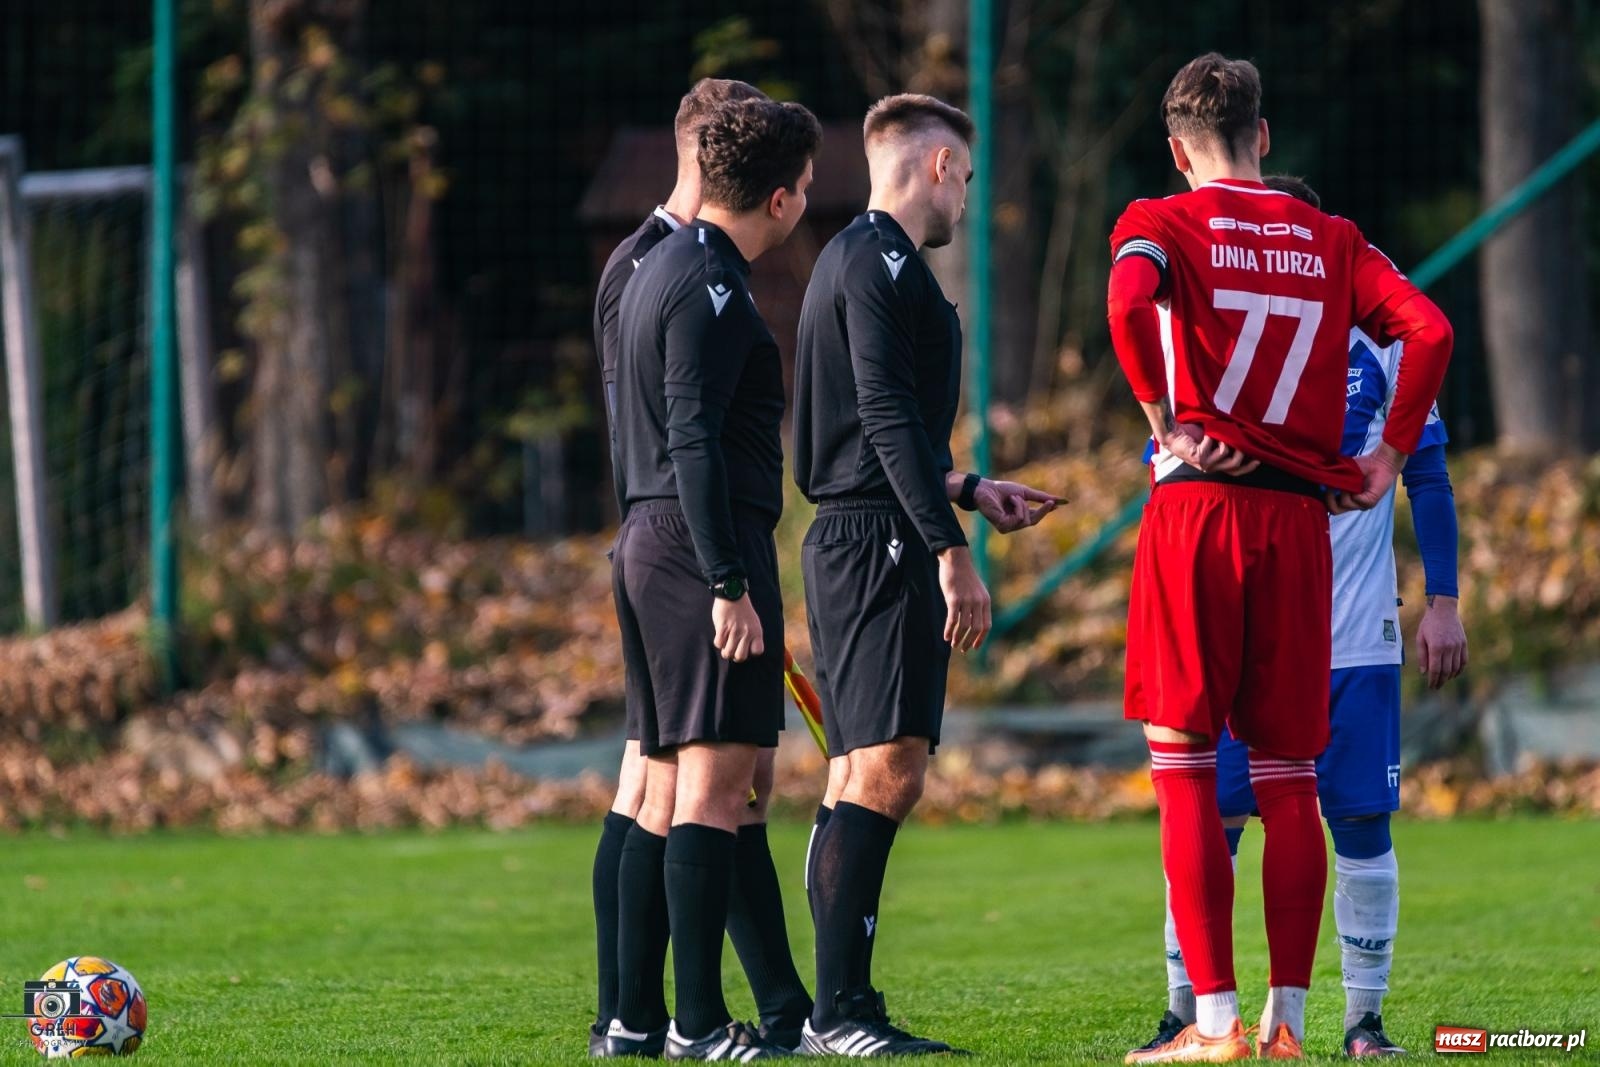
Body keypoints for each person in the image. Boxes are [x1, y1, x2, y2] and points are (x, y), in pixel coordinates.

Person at [1107, 55, 1453, 1061]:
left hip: (1202, 507)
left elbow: (1130, 304)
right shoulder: (1332, 237)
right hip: (1300, 522)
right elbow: (1426, 328)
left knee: (1182, 768)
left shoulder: (1162, 219)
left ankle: (1209, 1021)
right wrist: (1385, 450)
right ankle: (1290, 1019)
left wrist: (1160, 415)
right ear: (1263, 136)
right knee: (1291, 774)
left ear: (1179, 152)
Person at [793, 92, 1060, 1057]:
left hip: (866, 530)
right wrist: (951, 551)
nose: (969, 202)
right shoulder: (875, 261)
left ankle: (836, 1007)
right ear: (939, 166)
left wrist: (970, 485)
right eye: (970, 179)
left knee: (859, 771)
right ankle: (842, 1012)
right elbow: (880, 415)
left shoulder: (866, 259)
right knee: (886, 770)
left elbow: (882, 426)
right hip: (879, 545)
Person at [587, 76, 813, 1059]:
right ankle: (694, 1022)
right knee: (709, 797)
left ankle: (637, 1020)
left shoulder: (653, 266)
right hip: (691, 547)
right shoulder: (709, 282)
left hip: (652, 538)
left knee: (664, 788)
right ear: (783, 196)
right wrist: (727, 578)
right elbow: (692, 434)